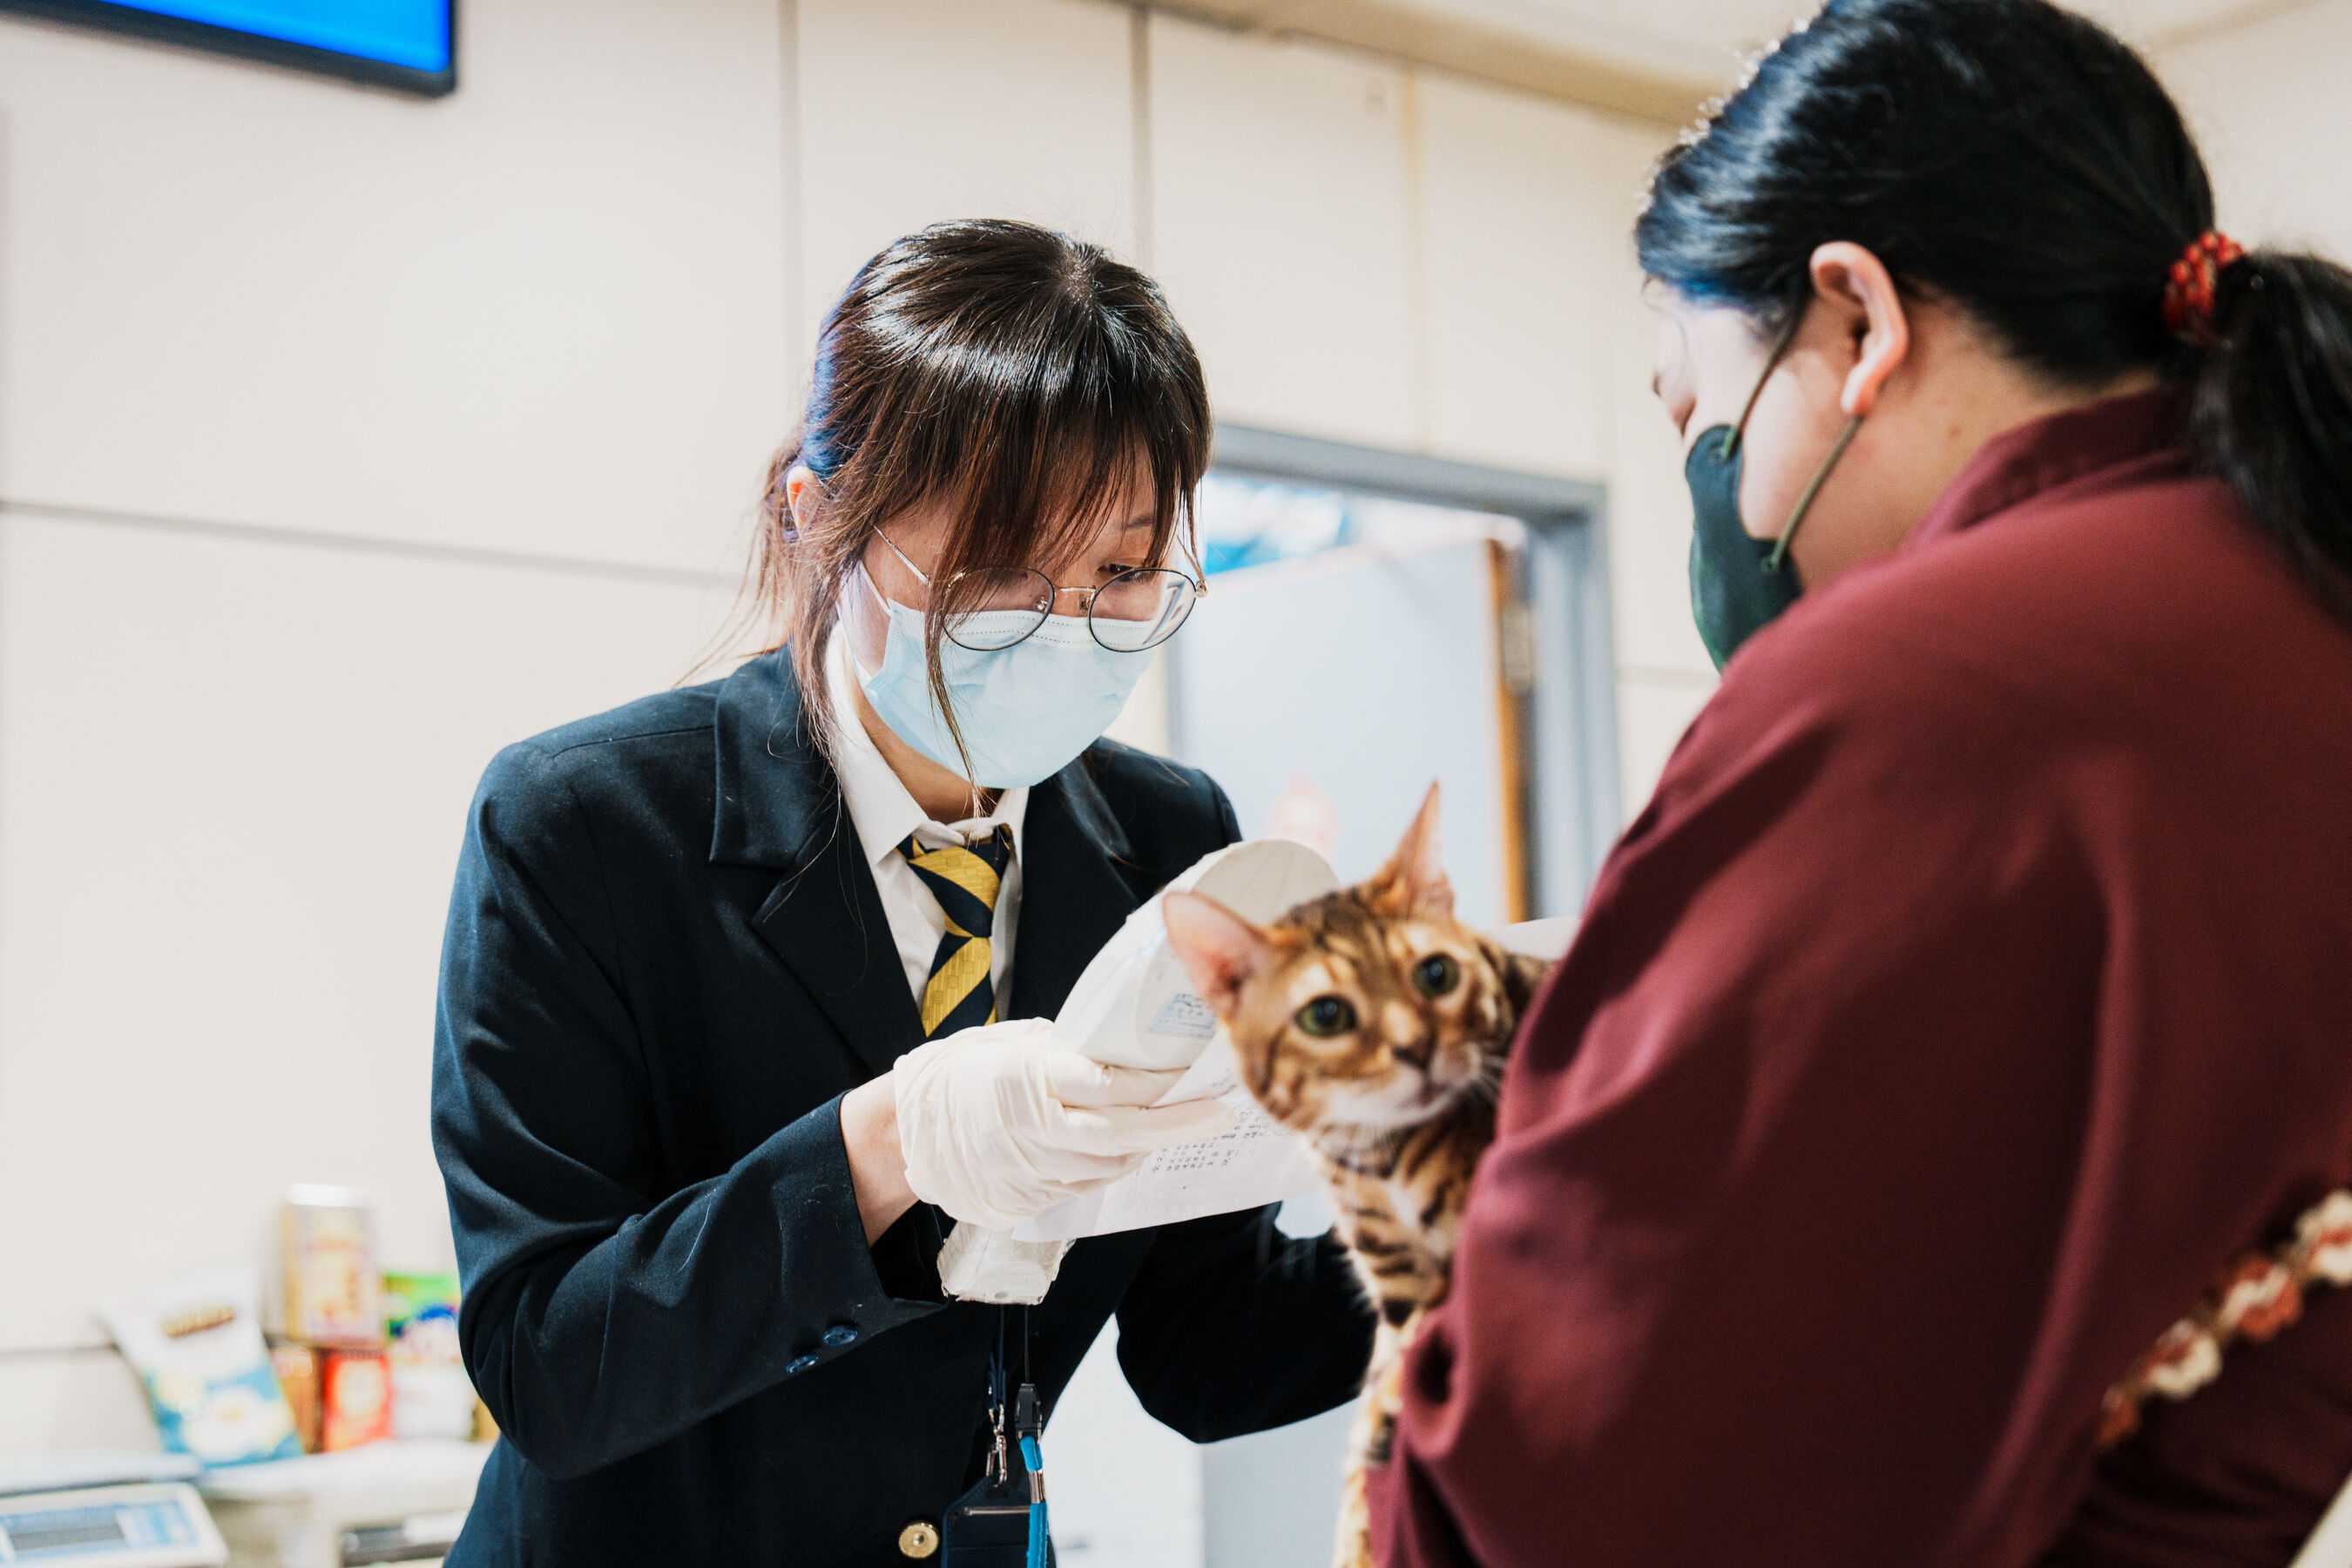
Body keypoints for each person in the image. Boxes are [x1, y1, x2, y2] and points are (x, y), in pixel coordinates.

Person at [1369, 3, 2352, 1564]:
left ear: (1855, 322)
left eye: (1704, 414)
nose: (1721, 499)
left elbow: (1574, 1479)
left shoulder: (1914, 692)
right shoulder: (2298, 598)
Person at [430, 220, 1374, 1566]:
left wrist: (1471, 1209)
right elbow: (549, 1368)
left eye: (1121, 572)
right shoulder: (583, 827)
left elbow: (1207, 1348)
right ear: (820, 524)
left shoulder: (1170, 838)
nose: (1067, 625)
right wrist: (878, 1147)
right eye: (997, 572)